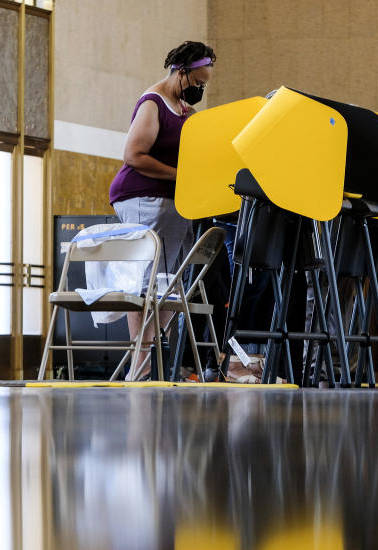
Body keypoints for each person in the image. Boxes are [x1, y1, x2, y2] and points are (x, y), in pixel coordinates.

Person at [109, 41, 215, 379]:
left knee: (170, 283)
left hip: (175, 202)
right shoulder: (153, 103)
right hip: (142, 196)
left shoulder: (186, 111)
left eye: (204, 85)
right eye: (197, 82)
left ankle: (157, 358)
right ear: (180, 71)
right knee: (145, 281)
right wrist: (183, 176)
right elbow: (134, 155)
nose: (199, 89)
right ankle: (139, 366)